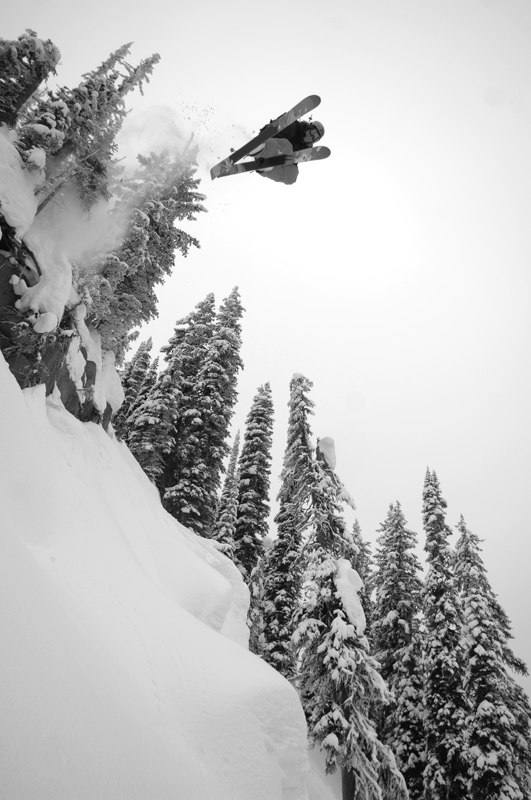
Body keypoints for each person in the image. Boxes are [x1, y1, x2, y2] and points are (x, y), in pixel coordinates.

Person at [251, 120, 325, 185]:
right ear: (309, 127)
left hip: (271, 161)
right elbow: (274, 134)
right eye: (313, 132)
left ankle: (266, 169)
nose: (312, 137)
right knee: (288, 146)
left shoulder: (304, 149)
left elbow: (292, 160)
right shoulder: (294, 127)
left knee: (292, 175)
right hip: (265, 145)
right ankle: (259, 148)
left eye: (315, 138)